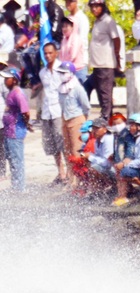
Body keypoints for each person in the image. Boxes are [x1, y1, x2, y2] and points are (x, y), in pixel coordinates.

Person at [57, 61, 91, 186]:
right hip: (65, 120)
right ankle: (72, 181)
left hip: (76, 119)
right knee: (67, 151)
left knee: (77, 152)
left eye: (63, 73)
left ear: (71, 73)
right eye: (60, 72)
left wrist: (83, 120)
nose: (61, 75)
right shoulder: (61, 88)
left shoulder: (77, 88)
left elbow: (86, 106)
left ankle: (80, 182)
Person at [87, 0, 120, 120]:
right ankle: (107, 117)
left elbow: (116, 39)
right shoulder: (97, 21)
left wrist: (117, 57)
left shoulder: (108, 21)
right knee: (100, 93)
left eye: (97, 6)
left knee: (105, 94)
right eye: (92, 7)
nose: (94, 9)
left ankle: (106, 118)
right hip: (97, 64)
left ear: (102, 7)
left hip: (105, 64)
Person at [38, 43, 66, 185]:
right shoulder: (42, 72)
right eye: (46, 53)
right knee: (52, 145)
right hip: (46, 111)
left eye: (50, 53)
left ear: (56, 53)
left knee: (62, 143)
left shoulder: (62, 69)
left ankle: (70, 174)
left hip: (58, 111)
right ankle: (61, 172)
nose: (48, 56)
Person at [112, 114, 140, 207]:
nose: (131, 128)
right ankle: (123, 195)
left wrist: (125, 164)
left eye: (133, 125)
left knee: (125, 171)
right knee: (120, 170)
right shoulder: (136, 139)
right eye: (131, 125)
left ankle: (126, 195)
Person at [1, 68, 31, 192]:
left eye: (7, 78)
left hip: (15, 132)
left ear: (14, 80)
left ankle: (20, 188)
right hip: (9, 132)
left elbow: (26, 112)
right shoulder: (11, 92)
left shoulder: (18, 94)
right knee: (11, 160)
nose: (4, 80)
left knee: (17, 160)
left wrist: (26, 124)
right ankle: (15, 185)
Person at [59, 17, 87, 83]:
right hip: (67, 71)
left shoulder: (76, 38)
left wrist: (64, 66)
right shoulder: (64, 40)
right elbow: (61, 56)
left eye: (66, 26)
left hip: (78, 71)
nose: (64, 29)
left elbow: (73, 56)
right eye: (63, 26)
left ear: (72, 27)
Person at [65, 0, 90, 69]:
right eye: (66, 2)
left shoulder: (82, 18)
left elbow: (82, 40)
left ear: (76, 2)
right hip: (68, 61)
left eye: (70, 2)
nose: (67, 4)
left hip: (79, 62)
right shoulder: (68, 18)